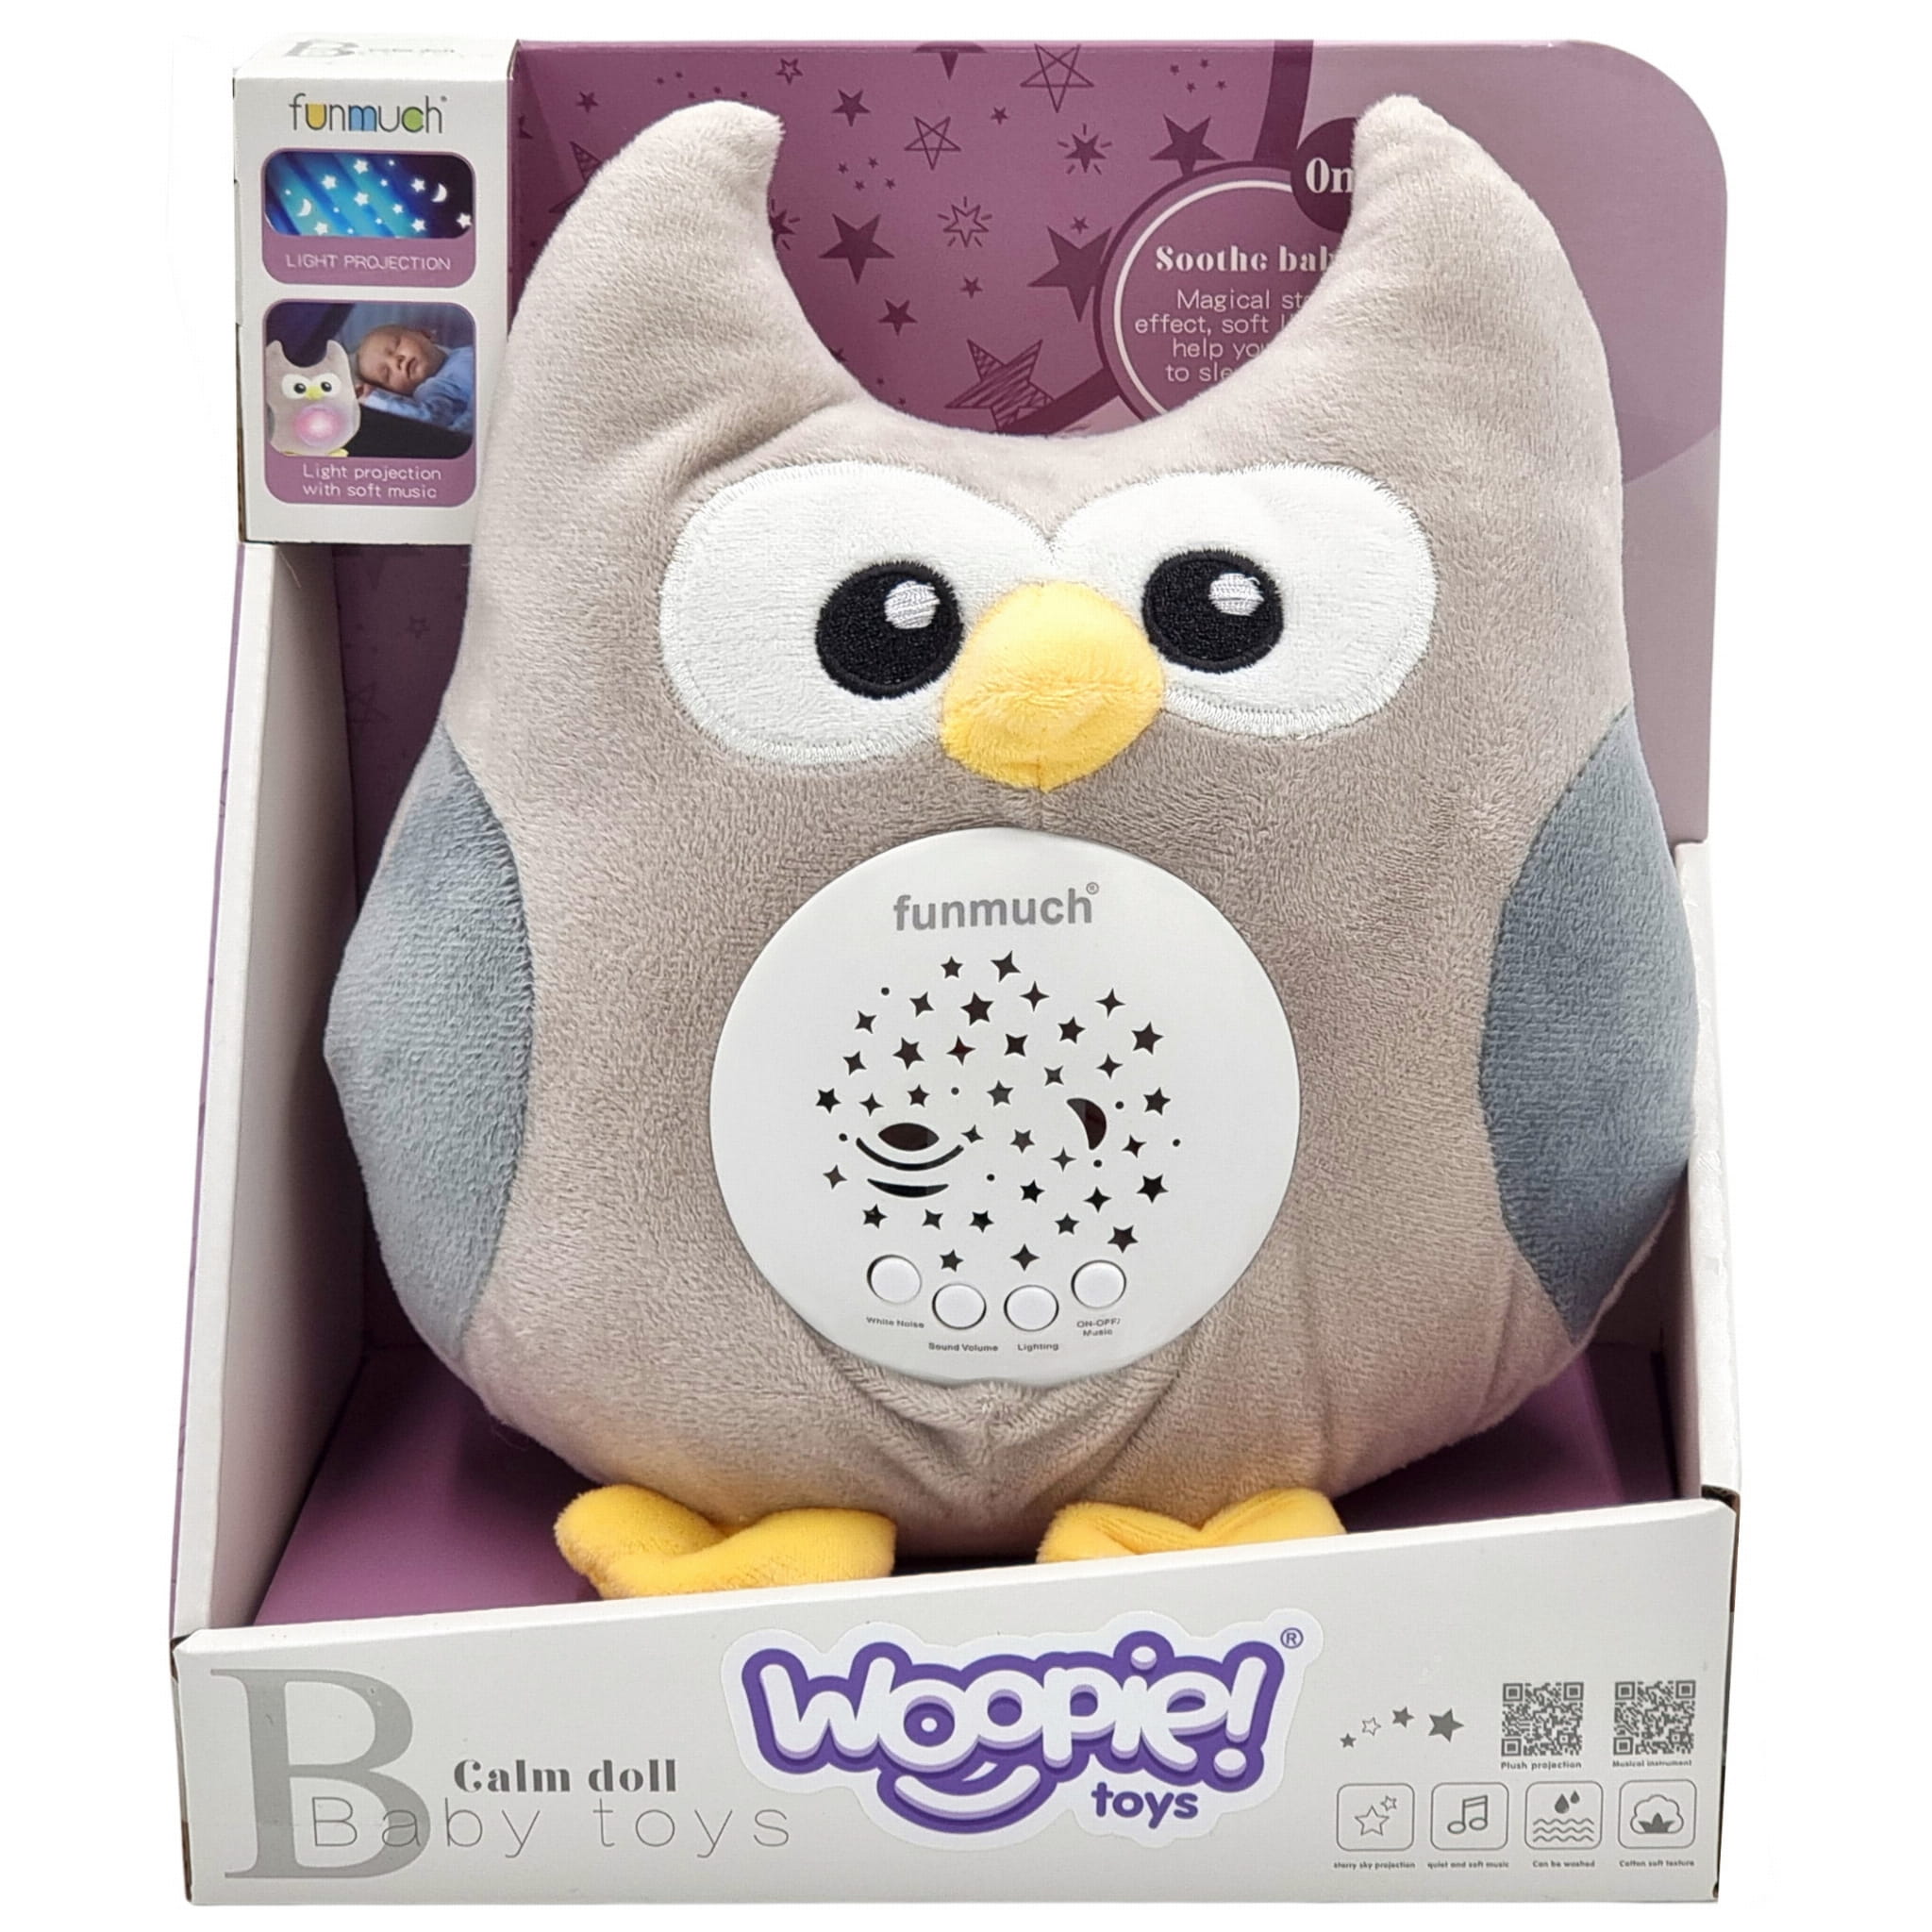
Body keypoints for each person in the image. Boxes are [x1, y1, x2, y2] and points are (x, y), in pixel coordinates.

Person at [352, 322, 475, 438]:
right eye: (387, 374)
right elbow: (430, 420)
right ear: (395, 392)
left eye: (396, 345)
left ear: (424, 334)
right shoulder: (431, 391)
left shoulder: (465, 350)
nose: (396, 361)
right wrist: (374, 399)